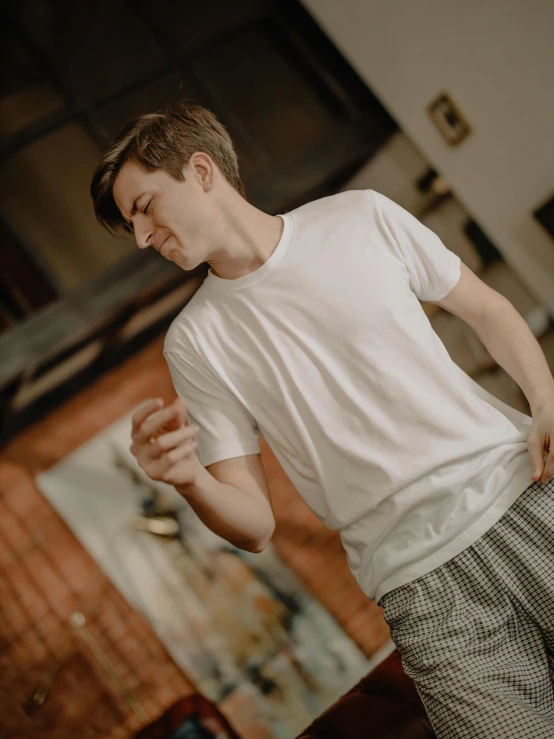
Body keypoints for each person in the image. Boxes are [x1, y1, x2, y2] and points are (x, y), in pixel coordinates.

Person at [91, 101, 554, 738]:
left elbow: (486, 308)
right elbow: (255, 526)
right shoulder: (194, 342)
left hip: (525, 498)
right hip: (421, 585)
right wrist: (188, 479)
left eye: (142, 208)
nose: (142, 240)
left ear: (200, 171)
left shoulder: (360, 215)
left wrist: (545, 398)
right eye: (132, 227)